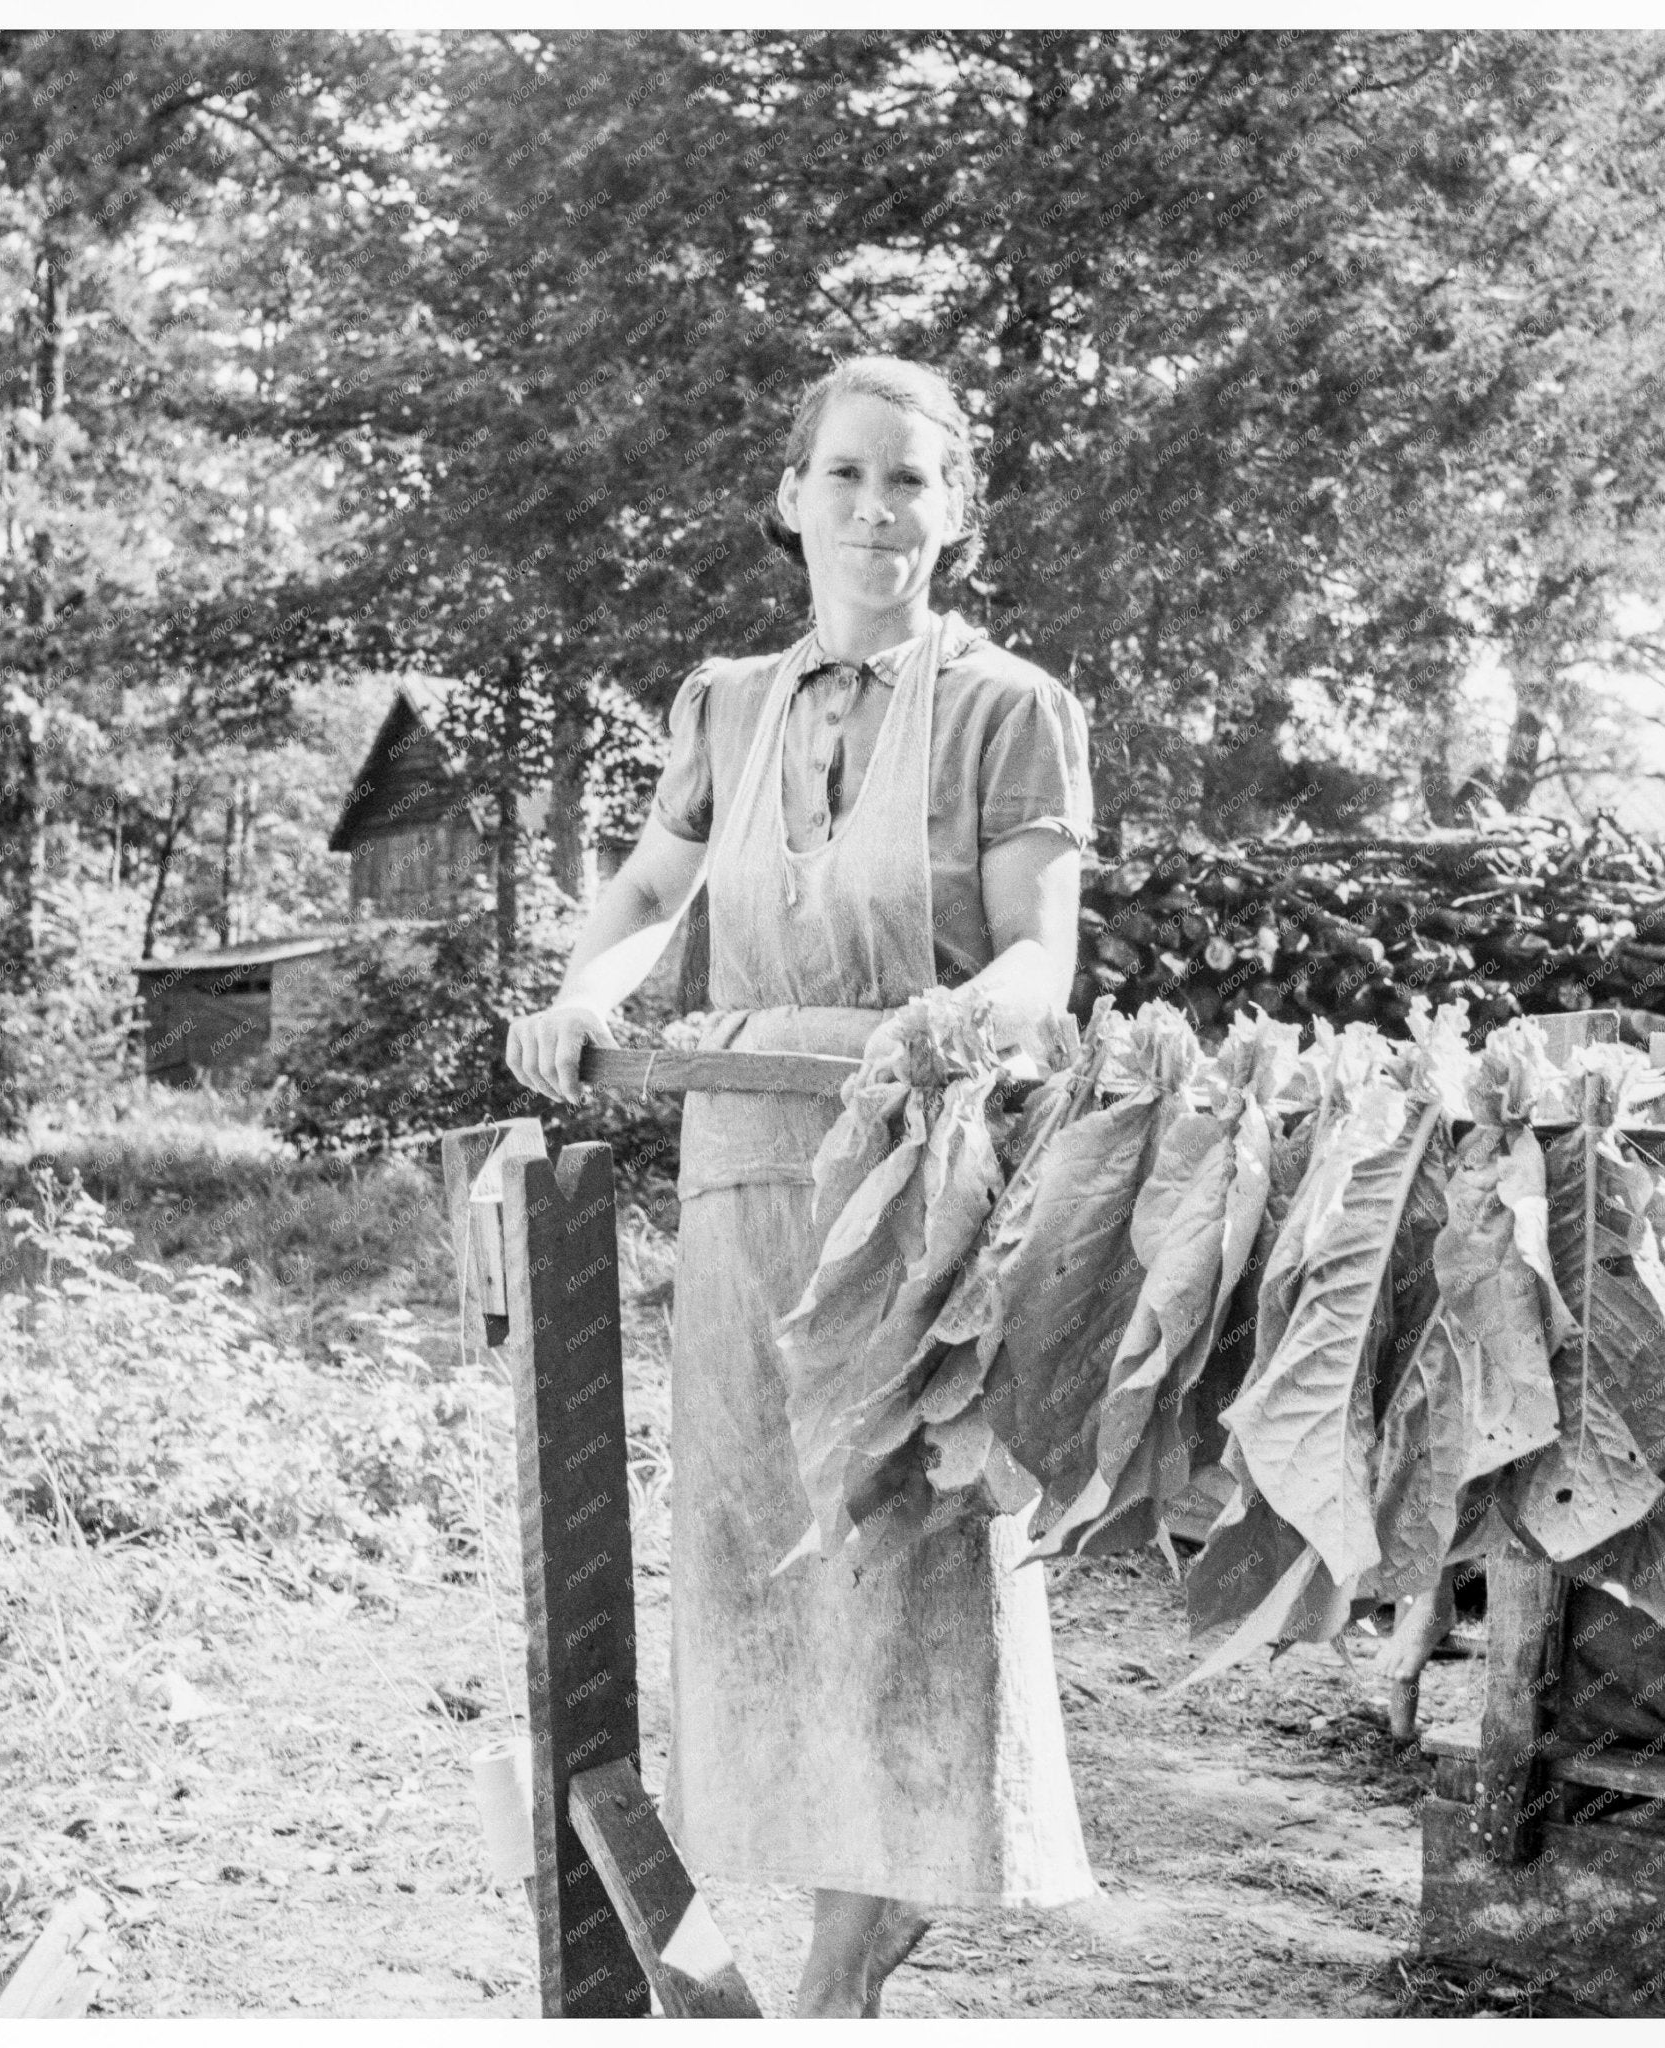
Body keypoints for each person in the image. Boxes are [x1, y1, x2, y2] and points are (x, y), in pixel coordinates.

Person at [506, 354, 1098, 2016]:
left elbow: (1043, 950)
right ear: (791, 499)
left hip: (921, 1172)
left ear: (957, 513)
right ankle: (808, 1909)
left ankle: (863, 1932)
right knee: (765, 1534)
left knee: (907, 1546)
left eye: (911, 482)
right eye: (845, 476)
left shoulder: (1009, 709)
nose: (876, 510)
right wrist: (585, 996)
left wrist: (972, 1017)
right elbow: (647, 885)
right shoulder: (729, 701)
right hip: (743, 1166)